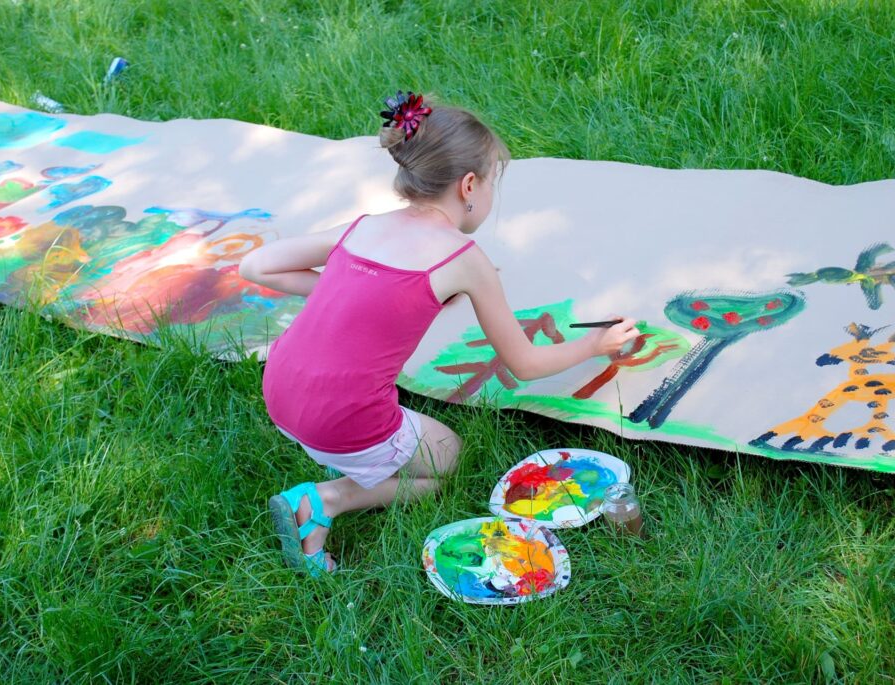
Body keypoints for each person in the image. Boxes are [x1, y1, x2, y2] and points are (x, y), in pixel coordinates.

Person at [238, 90, 639, 575]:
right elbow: (525, 364)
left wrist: (359, 296)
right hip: (339, 419)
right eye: (494, 183)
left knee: (375, 427)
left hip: (279, 393)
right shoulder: (462, 259)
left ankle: (345, 460)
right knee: (447, 461)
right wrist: (597, 343)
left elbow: (257, 265)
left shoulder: (362, 227)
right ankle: (325, 501)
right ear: (469, 186)